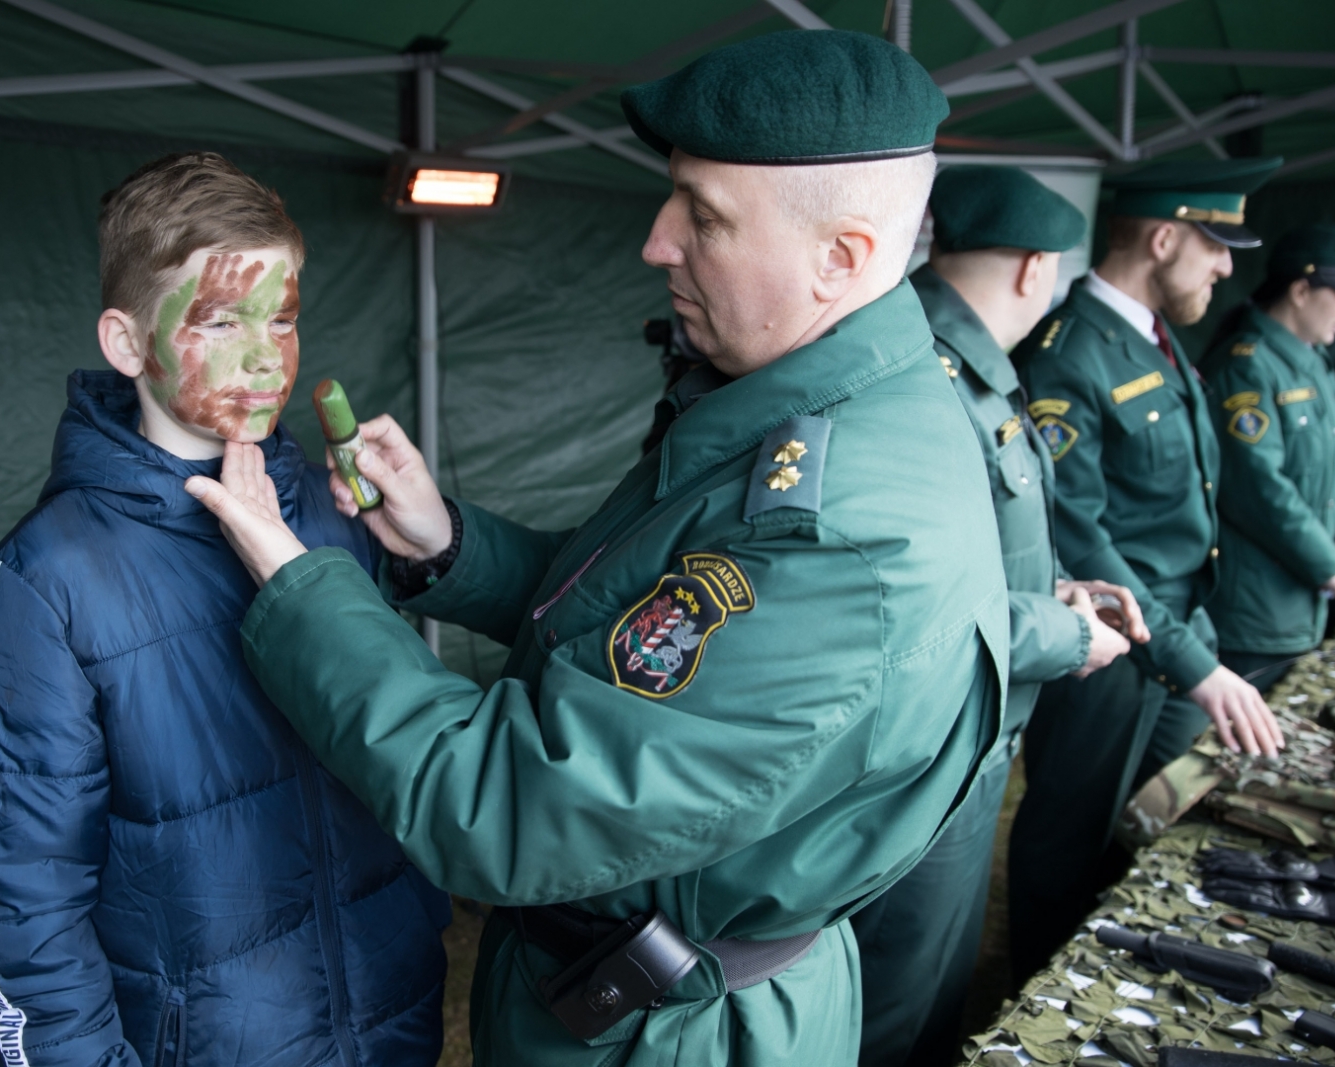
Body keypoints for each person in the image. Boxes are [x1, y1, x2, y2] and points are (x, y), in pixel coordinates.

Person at [188, 30, 1008, 1067]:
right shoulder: (804, 408)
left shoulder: (836, 538)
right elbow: (642, 641)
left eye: (703, 216)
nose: (657, 241)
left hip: (669, 1032)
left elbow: (502, 803)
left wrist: (303, 589)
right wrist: (448, 545)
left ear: (837, 258)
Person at [0, 153, 448, 1067]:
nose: (266, 356)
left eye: (285, 318)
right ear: (127, 343)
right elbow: (22, 904)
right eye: (221, 320)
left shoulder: (334, 514)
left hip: (393, 1018)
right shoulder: (44, 577)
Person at [852, 166, 1147, 1067]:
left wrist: (1053, 593)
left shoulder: (971, 365)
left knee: (934, 995)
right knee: (891, 1012)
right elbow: (911, 614)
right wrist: (1066, 634)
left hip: (970, 744)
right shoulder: (928, 375)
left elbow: (974, 555)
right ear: (1035, 268)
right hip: (924, 752)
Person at [1010, 159, 1288, 981]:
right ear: (1164, 239)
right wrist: (1196, 664)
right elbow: (1079, 536)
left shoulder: (1154, 339)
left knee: (1143, 842)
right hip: (1114, 651)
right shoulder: (1068, 354)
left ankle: (1114, 977)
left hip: (1174, 639)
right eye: (1216, 245)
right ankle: (1040, 1003)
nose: (1229, 266)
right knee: (1067, 843)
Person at [1200, 224, 1335, 690]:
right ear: (1300, 290)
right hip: (1255, 611)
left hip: (1302, 600)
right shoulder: (1246, 365)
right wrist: (1328, 563)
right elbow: (1257, 486)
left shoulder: (1314, 361)